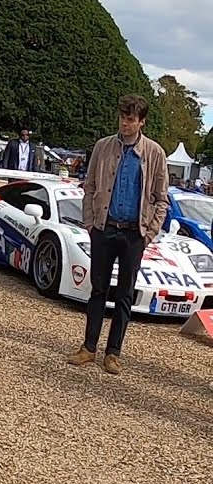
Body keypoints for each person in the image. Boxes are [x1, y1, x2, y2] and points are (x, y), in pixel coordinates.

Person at [67, 94, 170, 375]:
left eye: (131, 119)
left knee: (125, 295)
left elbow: (162, 198)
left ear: (142, 121)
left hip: (134, 234)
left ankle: (113, 353)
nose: (125, 123)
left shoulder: (154, 153)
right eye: (122, 117)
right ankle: (89, 347)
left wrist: (149, 233)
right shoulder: (103, 147)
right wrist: (90, 222)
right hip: (104, 228)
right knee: (98, 290)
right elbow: (89, 186)